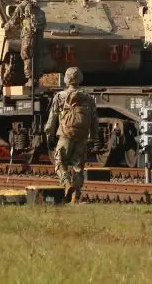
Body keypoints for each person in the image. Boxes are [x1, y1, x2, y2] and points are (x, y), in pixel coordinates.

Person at [44, 67, 97, 202]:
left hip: (65, 135)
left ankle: (67, 183)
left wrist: (49, 136)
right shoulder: (89, 98)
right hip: (82, 136)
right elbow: (95, 120)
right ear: (80, 79)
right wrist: (93, 137)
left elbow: (51, 120)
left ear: (66, 80)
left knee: (59, 163)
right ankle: (75, 197)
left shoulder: (60, 96)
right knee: (78, 168)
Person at [4, 0, 46, 88]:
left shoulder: (21, 7)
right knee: (37, 55)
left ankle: (30, 79)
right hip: (39, 33)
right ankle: (36, 79)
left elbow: (14, 21)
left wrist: (6, 26)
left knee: (26, 55)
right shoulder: (34, 5)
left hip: (28, 34)